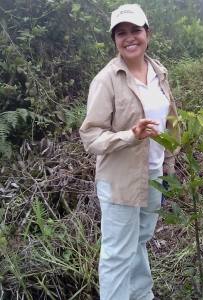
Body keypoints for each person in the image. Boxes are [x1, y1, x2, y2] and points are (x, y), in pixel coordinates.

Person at [79, 4, 179, 300]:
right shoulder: (106, 80)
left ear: (148, 33)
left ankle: (141, 295)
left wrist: (169, 167)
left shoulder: (159, 70)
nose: (129, 38)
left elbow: (170, 122)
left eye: (135, 30)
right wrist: (129, 136)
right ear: (114, 41)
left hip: (154, 176)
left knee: (139, 242)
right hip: (120, 182)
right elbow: (90, 136)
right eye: (121, 33)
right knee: (117, 255)